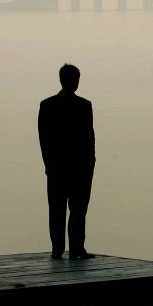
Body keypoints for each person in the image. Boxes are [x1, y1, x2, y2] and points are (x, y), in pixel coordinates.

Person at [38, 64, 96, 260]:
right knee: (75, 209)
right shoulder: (83, 105)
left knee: (60, 209)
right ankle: (75, 248)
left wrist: (49, 164)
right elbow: (89, 139)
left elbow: (44, 140)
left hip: (61, 167)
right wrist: (90, 163)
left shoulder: (48, 105)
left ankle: (61, 248)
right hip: (75, 167)